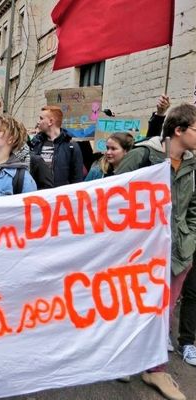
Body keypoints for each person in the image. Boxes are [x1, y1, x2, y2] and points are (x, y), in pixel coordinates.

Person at [116, 103, 196, 400]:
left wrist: (189, 237)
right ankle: (123, 358)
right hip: (140, 252)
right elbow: (114, 197)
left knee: (163, 312)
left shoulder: (192, 164)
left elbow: (193, 207)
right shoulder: (142, 155)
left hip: (177, 253)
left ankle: (156, 369)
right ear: (179, 130)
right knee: (130, 305)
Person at [30, 105, 84, 186]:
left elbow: (77, 179)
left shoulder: (71, 147)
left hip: (60, 196)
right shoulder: (35, 143)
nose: (38, 122)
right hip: (37, 195)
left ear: (50, 122)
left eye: (41, 118)